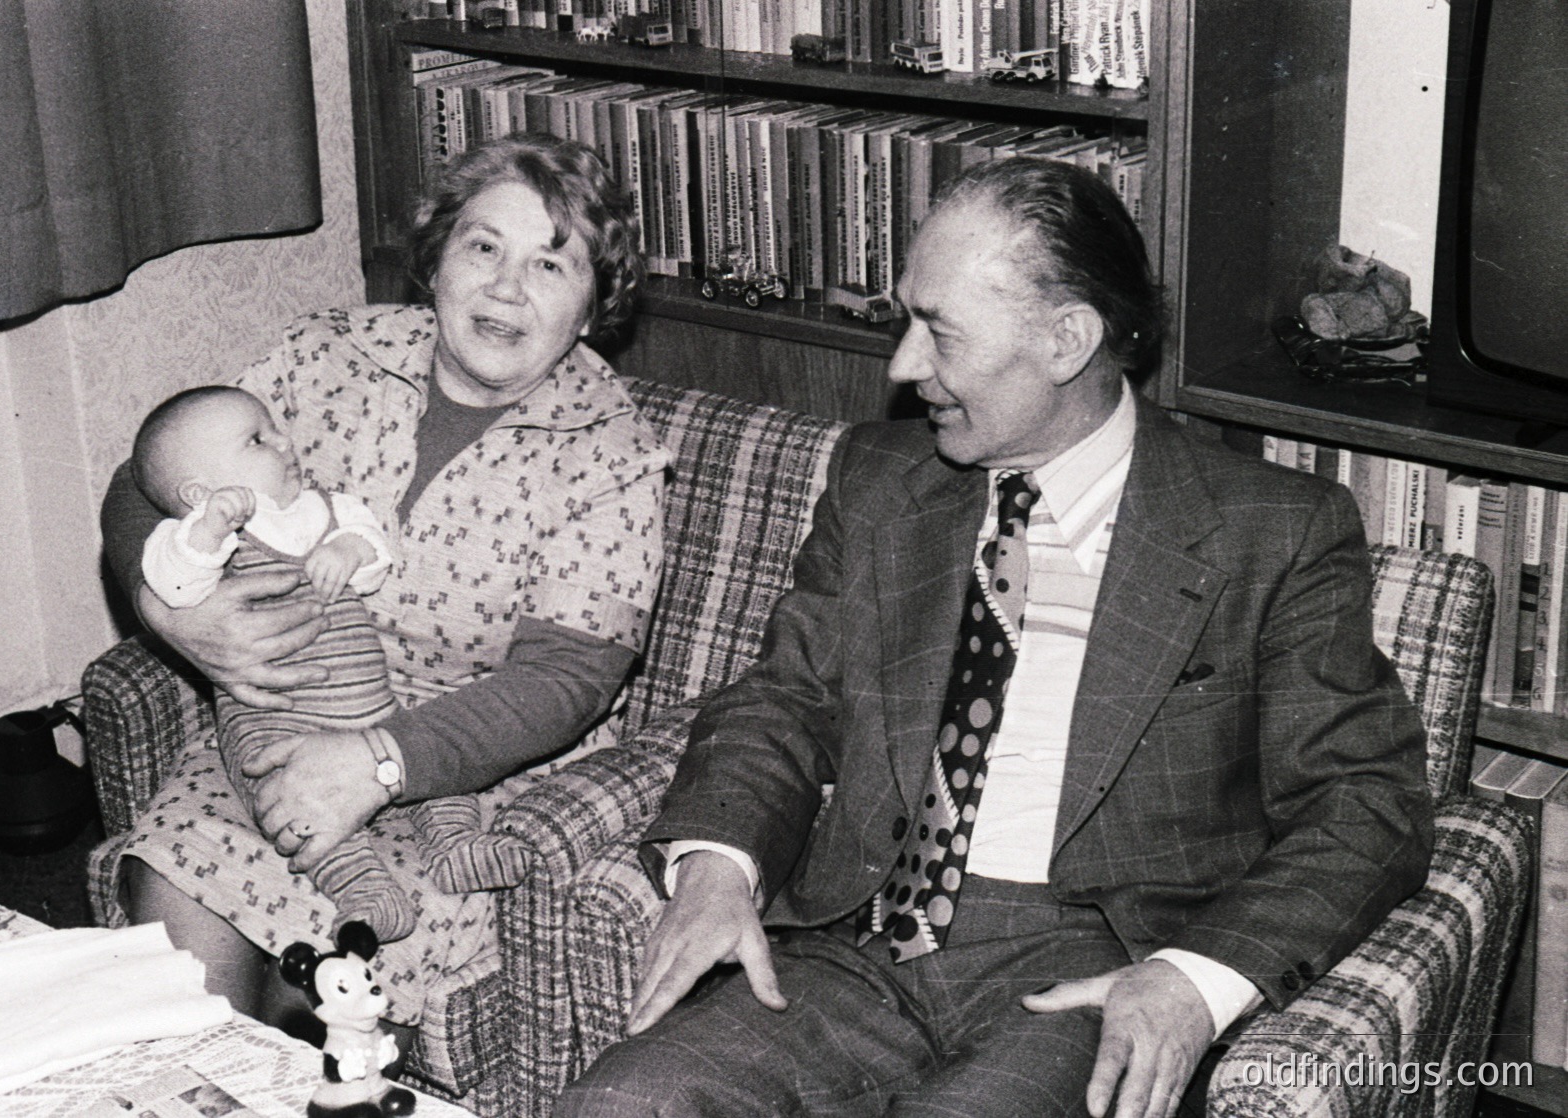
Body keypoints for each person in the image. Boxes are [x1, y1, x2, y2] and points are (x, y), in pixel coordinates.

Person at [556, 156, 1433, 1118]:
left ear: (1067, 341)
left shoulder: (1270, 527)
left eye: (939, 333)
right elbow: (785, 696)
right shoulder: (882, 480)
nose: (900, 366)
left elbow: (1366, 801)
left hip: (1092, 969)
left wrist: (1198, 977)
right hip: (862, 936)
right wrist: (719, 864)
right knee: (621, 1104)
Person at [98, 132, 671, 1034]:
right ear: (436, 260)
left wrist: (379, 762)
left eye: (552, 266)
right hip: (279, 732)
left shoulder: (613, 456)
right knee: (177, 893)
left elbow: (567, 682)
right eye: (483, 247)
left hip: (463, 777)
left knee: (340, 971)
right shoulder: (327, 355)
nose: (508, 288)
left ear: (595, 306)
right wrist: (169, 608)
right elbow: (155, 475)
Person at [131, 384, 417, 943]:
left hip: (371, 707)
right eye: (259, 439)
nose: (285, 442)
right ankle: (363, 890)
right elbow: (174, 583)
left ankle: (461, 842)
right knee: (290, 806)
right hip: (275, 722)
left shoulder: (325, 508)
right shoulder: (192, 536)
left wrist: (350, 550)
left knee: (441, 777)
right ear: (200, 491)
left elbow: (373, 553)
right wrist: (210, 528)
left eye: (276, 429)